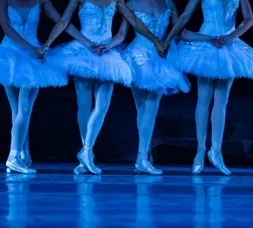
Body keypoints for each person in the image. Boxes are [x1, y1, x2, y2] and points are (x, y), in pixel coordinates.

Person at [0, 0, 97, 174]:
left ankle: (23, 153)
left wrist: (87, 43)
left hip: (32, 57)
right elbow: (6, 27)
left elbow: (62, 22)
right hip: (10, 55)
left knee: (20, 111)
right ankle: (13, 157)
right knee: (20, 110)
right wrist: (31, 48)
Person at [40, 0, 167, 175]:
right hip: (84, 51)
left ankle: (85, 151)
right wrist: (47, 44)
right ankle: (87, 155)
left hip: (106, 52)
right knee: (84, 106)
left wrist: (154, 41)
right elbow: (63, 21)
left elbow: (132, 23)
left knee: (102, 107)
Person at [163, 0, 253, 175]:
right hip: (206, 43)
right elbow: (186, 15)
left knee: (221, 101)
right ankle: (200, 150)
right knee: (204, 98)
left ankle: (216, 151)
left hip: (228, 45)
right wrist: (169, 37)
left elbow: (249, 20)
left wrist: (230, 37)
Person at [116, 0, 190, 175]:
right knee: (142, 109)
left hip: (161, 58)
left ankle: (142, 157)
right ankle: (143, 157)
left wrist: (168, 41)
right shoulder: (132, 3)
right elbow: (122, 33)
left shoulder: (169, 3)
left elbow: (179, 30)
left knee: (150, 109)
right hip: (138, 57)